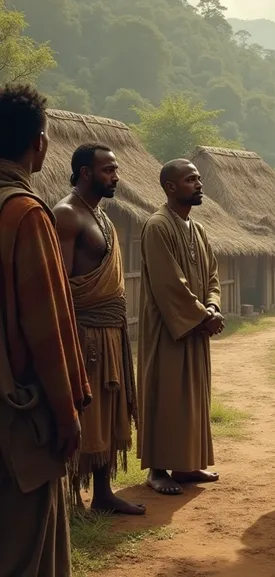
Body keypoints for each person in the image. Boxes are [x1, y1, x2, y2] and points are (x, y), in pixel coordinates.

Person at [0, 85, 90, 576]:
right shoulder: (25, 214)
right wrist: (67, 410)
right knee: (27, 544)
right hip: (18, 414)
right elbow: (47, 326)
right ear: (39, 143)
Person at [54, 143, 145, 515]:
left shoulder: (101, 216)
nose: (116, 176)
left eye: (116, 169)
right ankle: (71, 496)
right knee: (85, 410)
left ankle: (103, 493)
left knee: (109, 409)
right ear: (86, 173)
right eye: (108, 170)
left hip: (111, 330)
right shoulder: (67, 214)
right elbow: (59, 282)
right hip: (85, 331)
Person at [138, 158, 224, 496]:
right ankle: (157, 470)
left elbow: (213, 275)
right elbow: (168, 283)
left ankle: (186, 465)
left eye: (199, 179)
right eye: (191, 180)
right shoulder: (157, 226)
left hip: (196, 327)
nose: (199, 184)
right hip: (168, 330)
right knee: (166, 393)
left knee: (192, 396)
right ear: (171, 187)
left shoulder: (198, 229)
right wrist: (203, 315)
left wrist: (213, 306)